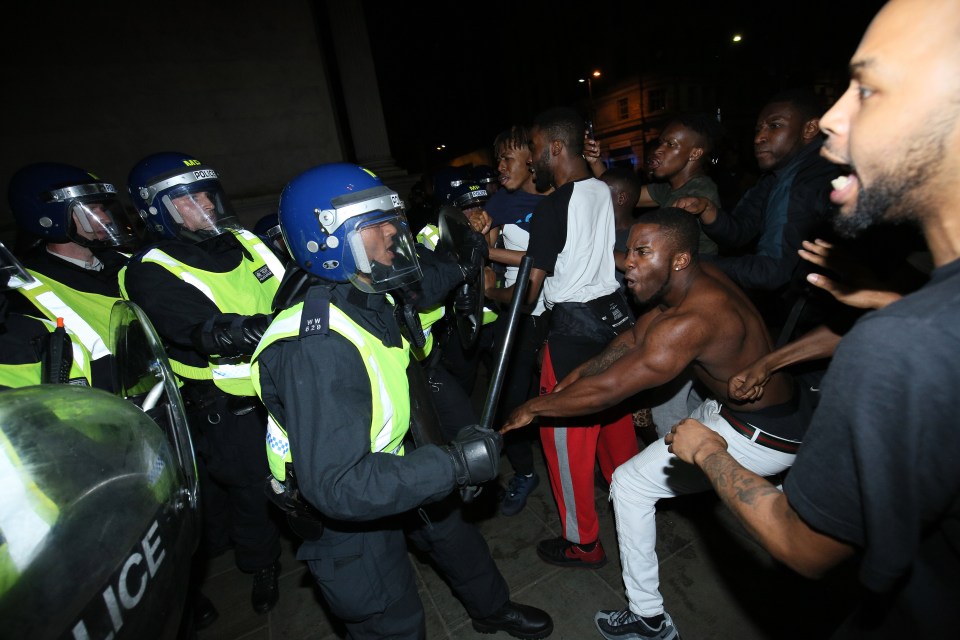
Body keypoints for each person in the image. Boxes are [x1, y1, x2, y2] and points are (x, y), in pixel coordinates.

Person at [666, 2, 960, 636]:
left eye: (869, 88)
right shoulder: (916, 324)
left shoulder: (893, 349)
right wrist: (894, 304)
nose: (833, 116)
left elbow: (806, 546)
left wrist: (710, 451)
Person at [250, 162, 553, 639]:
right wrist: (454, 464)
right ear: (326, 239)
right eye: (374, 223)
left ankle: (491, 609)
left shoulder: (368, 283)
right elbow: (339, 486)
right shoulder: (318, 349)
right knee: (392, 620)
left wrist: (462, 260)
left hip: (395, 458)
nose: (392, 231)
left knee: (455, 540)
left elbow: (424, 284)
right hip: (348, 507)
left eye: (391, 217)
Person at [503, 208, 812, 640]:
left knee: (629, 484)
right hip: (749, 412)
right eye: (629, 251)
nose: (628, 263)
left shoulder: (692, 320)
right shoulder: (694, 280)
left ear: (680, 258)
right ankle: (788, 505)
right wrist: (580, 372)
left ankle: (648, 619)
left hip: (762, 433)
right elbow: (633, 337)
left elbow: (610, 392)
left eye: (642, 253)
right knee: (678, 436)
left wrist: (533, 408)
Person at [120, 152, 284, 615]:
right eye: (188, 200)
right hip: (228, 399)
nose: (205, 206)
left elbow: (291, 283)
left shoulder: (247, 239)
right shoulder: (151, 268)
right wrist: (238, 330)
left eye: (207, 195)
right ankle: (262, 564)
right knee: (252, 487)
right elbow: (190, 326)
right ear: (159, 211)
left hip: (289, 372)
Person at [519, 106, 638, 569]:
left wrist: (489, 290)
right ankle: (633, 512)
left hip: (570, 335)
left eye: (533, 149)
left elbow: (532, 285)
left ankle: (583, 543)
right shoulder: (601, 190)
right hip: (613, 326)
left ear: (553, 147)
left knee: (566, 444)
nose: (532, 160)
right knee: (615, 428)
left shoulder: (551, 206)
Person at [675, 91, 841, 337]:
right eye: (758, 129)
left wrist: (692, 262)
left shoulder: (808, 180)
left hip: (825, 321)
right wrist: (708, 210)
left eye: (774, 126)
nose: (760, 138)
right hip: (804, 314)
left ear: (810, 129)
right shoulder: (778, 174)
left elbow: (769, 272)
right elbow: (739, 231)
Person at [7, 162, 137, 390]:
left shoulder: (128, 262)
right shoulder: (23, 289)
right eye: (91, 209)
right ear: (50, 216)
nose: (105, 219)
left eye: (102, 209)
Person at [482, 125, 551, 516]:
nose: (500, 167)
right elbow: (484, 249)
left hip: (558, 315)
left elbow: (548, 259)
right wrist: (480, 231)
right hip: (515, 315)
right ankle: (525, 472)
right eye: (499, 160)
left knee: (564, 394)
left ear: (532, 159)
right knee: (510, 401)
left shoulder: (560, 199)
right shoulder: (500, 203)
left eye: (508, 158)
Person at [588, 114, 723, 256]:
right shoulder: (667, 188)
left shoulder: (700, 192)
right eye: (661, 143)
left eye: (671, 144)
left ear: (695, 153)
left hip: (698, 273)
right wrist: (595, 161)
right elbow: (622, 194)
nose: (659, 150)